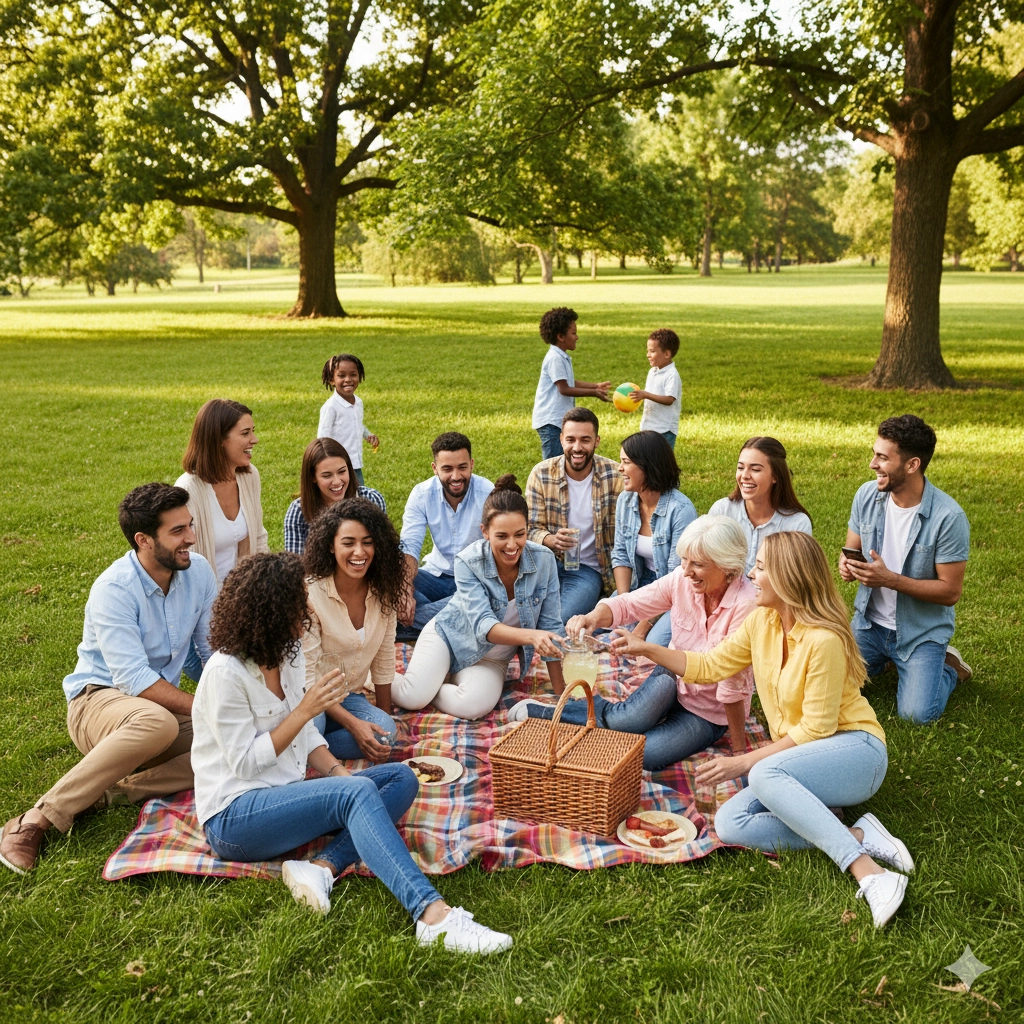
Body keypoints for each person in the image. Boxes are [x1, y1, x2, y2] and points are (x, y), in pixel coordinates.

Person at [190, 552, 511, 952]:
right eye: (297, 601)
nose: (306, 608)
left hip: (283, 797)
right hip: (235, 819)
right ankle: (433, 916)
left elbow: (306, 740)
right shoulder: (226, 673)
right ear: (271, 610)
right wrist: (307, 713)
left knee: (399, 777)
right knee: (356, 793)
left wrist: (347, 784)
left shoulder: (285, 652)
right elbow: (245, 762)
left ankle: (321, 868)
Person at [611, 532, 912, 929]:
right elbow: (709, 665)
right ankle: (856, 834)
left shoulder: (823, 640)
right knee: (731, 824)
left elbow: (816, 730)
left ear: (787, 577)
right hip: (799, 758)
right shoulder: (762, 622)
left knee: (762, 771)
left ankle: (868, 871)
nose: (751, 574)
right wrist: (647, 648)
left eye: (761, 567)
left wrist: (742, 763)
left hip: (856, 753)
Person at [0, 484, 217, 875]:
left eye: (190, 525)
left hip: (154, 712)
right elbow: (134, 679)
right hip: (97, 702)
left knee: (232, 741)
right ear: (144, 540)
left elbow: (208, 651)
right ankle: (35, 819)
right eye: (178, 531)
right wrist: (205, 706)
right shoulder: (114, 588)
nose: (191, 538)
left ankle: (109, 795)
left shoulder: (198, 571)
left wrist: (233, 698)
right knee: (159, 721)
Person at [510, 515, 756, 769]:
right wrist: (593, 617)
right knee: (627, 720)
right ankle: (545, 713)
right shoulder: (681, 580)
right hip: (673, 677)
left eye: (698, 564)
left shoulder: (747, 606)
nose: (686, 571)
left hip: (707, 711)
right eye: (685, 560)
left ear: (726, 565)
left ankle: (578, 730)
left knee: (644, 755)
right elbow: (633, 603)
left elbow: (732, 683)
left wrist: (739, 751)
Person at [392, 476, 566, 719]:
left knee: (474, 707)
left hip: (493, 660)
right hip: (450, 639)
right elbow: (484, 626)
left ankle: (435, 682)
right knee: (412, 697)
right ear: (484, 531)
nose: (512, 545)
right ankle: (372, 675)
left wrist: (563, 696)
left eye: (520, 534)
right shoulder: (468, 561)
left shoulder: (545, 560)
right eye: (502, 536)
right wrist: (532, 636)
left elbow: (551, 625)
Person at [840, 414, 971, 724]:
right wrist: (847, 565)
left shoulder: (948, 517)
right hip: (869, 625)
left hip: (919, 631)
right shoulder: (867, 496)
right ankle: (885, 661)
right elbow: (851, 549)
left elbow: (950, 591)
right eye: (875, 453)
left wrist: (891, 580)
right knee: (833, 689)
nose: (873, 464)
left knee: (916, 716)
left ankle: (950, 667)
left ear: (912, 465)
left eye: (883, 458)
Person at [302, 499, 400, 759]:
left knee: (385, 734)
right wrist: (356, 726)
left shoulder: (384, 592)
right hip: (309, 698)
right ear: (331, 547)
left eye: (368, 542)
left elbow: (384, 659)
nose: (360, 552)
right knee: (311, 726)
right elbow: (308, 679)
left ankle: (309, 749)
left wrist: (383, 715)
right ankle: (307, 745)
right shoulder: (310, 595)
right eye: (348, 543)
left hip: (348, 696)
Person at [525, 408, 622, 628]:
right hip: (546, 566)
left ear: (596, 441)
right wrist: (550, 539)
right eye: (570, 439)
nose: (577, 448)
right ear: (561, 439)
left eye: (585, 440)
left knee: (556, 621)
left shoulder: (615, 475)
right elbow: (528, 529)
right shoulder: (541, 474)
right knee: (518, 614)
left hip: (587, 572)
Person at [399, 432, 494, 636]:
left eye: (462, 467)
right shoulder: (422, 494)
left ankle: (410, 624)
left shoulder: (488, 493)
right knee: (391, 586)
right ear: (435, 469)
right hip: (435, 576)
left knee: (479, 601)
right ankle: (453, 621)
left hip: (475, 582)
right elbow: (409, 546)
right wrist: (405, 590)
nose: (456, 476)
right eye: (447, 469)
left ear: (472, 464)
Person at [610, 430, 697, 647]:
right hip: (639, 583)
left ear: (647, 466)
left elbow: (677, 576)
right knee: (603, 624)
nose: (620, 468)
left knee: (653, 642)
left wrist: (642, 625)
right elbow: (620, 554)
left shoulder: (681, 510)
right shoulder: (626, 500)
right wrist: (624, 604)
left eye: (626, 462)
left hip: (675, 592)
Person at [176, 398, 269, 587]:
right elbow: (184, 560)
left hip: (241, 595)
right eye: (245, 433)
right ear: (219, 440)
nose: (254, 439)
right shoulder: (188, 490)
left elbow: (258, 537)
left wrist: (264, 583)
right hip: (202, 598)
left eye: (253, 431)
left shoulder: (249, 476)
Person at [708, 436, 812, 574]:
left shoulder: (797, 524)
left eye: (755, 469)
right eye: (740, 467)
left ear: (775, 476)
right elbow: (706, 563)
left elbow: (795, 581)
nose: (744, 475)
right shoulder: (722, 510)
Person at [283, 438, 387, 556]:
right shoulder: (298, 511)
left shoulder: (372, 500)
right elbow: (296, 569)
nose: (337, 481)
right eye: (327, 476)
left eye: (342, 471)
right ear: (313, 477)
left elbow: (384, 554)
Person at [531, 307, 611, 460]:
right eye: (573, 333)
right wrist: (593, 393)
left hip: (556, 421)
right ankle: (550, 484)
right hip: (551, 421)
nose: (577, 337)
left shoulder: (561, 356)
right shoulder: (555, 357)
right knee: (553, 464)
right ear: (561, 336)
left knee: (562, 461)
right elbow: (564, 388)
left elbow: (569, 381)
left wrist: (595, 385)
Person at [317, 353, 379, 486]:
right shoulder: (331, 407)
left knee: (358, 495)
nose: (348, 379)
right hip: (337, 465)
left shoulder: (358, 402)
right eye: (341, 375)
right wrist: (325, 462)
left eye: (353, 374)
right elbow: (323, 437)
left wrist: (368, 435)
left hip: (355, 462)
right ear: (331, 380)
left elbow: (357, 423)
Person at [631, 328, 683, 448]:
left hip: (664, 429)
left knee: (661, 463)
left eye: (652, 351)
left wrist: (646, 395)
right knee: (646, 459)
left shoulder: (672, 374)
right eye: (648, 351)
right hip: (649, 426)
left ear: (667, 354)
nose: (648, 355)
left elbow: (670, 399)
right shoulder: (652, 371)